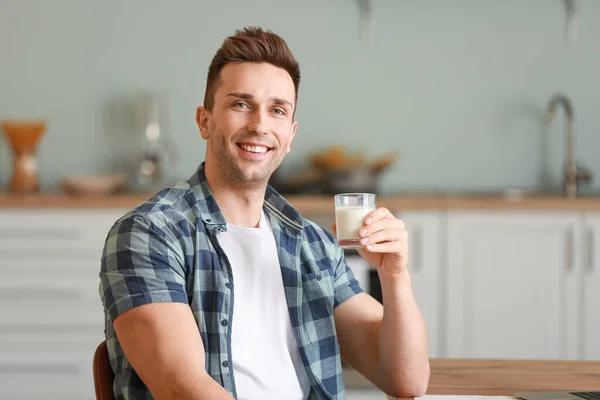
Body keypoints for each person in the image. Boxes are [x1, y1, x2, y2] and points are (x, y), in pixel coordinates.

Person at [99, 26, 430, 400]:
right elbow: (181, 386)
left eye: (276, 110)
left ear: (289, 134)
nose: (259, 125)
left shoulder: (311, 245)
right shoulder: (149, 234)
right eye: (240, 104)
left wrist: (395, 275)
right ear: (205, 121)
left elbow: (406, 380)